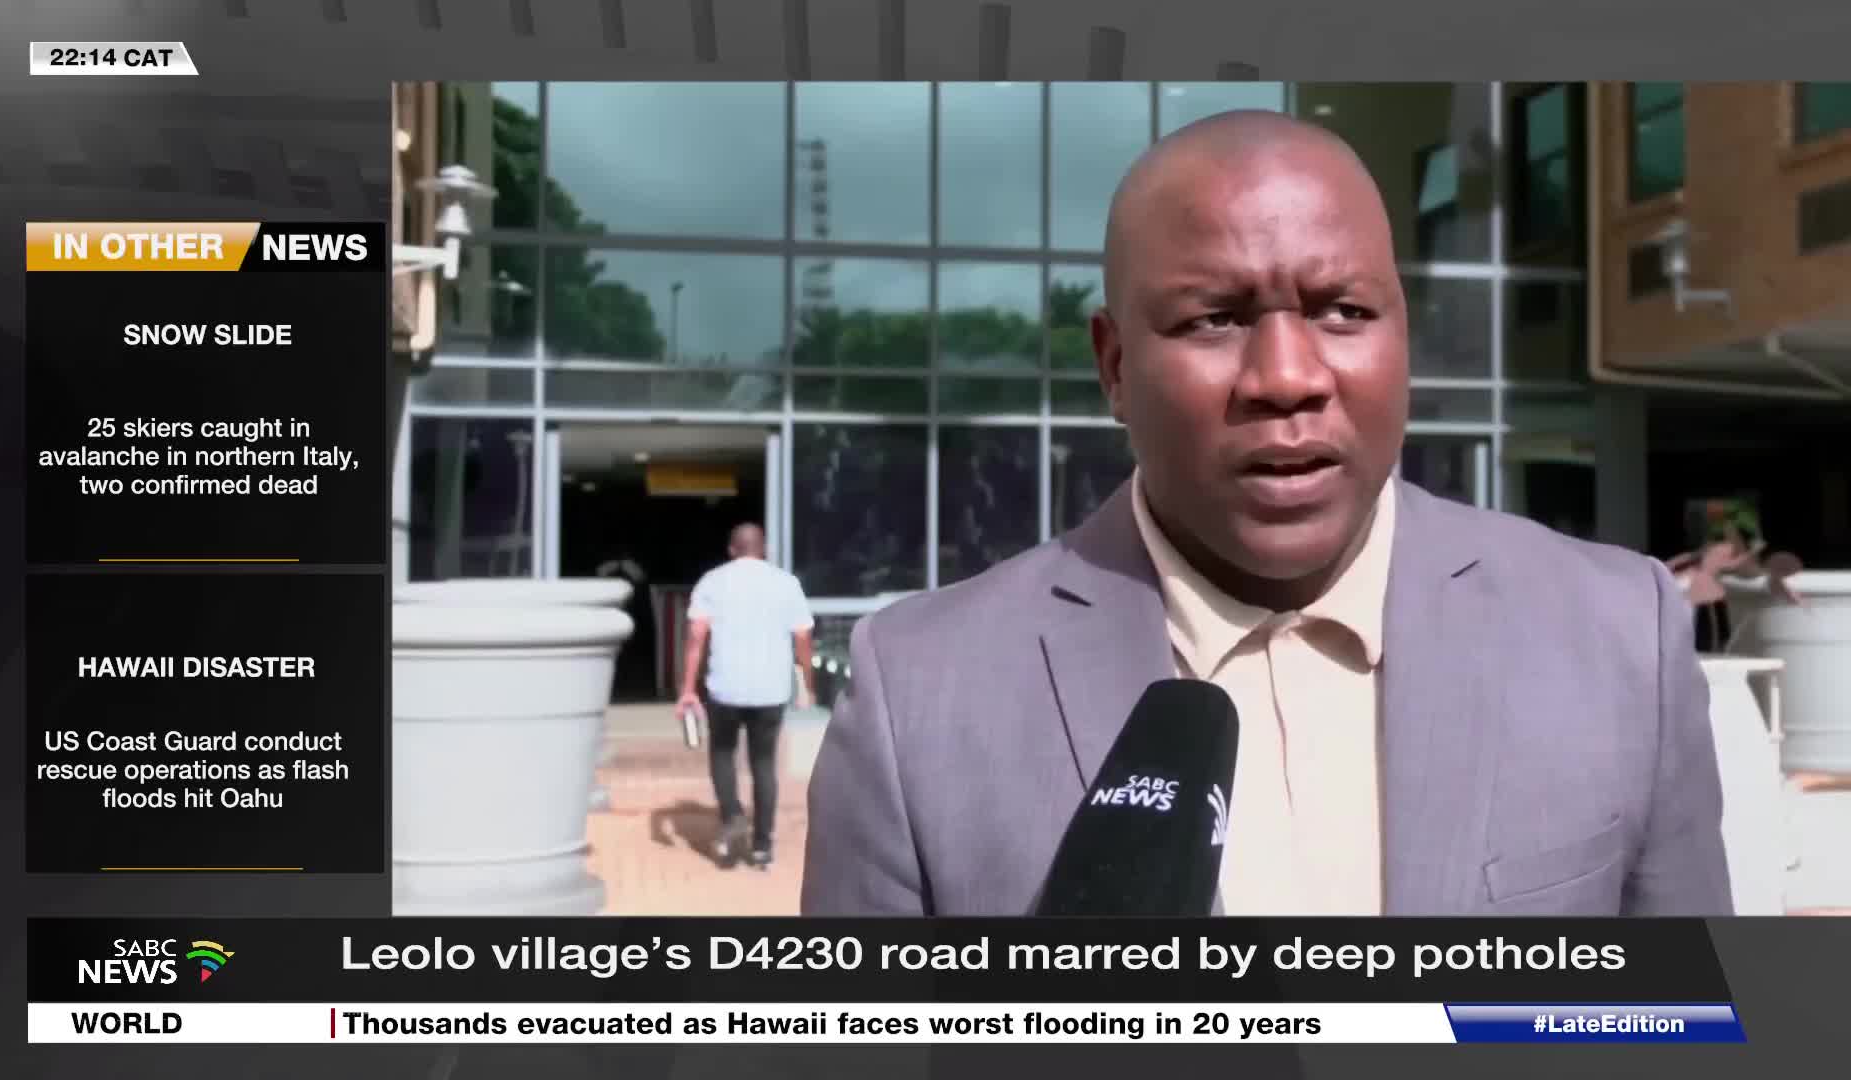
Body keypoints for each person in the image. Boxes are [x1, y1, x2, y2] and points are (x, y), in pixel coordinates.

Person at [801, 111, 1730, 917]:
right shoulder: (918, 699)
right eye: (1214, 319)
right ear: (1115, 366)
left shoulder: (1619, 637)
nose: (1287, 378)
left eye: (1342, 310)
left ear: (1403, 332)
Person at [676, 523, 815, 869]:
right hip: (770, 689)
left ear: (732, 549)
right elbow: (803, 638)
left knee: (722, 754)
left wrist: (687, 689)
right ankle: (762, 847)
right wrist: (807, 683)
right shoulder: (786, 582)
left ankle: (733, 816)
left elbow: (696, 638)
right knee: (764, 763)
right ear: (763, 548)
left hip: (725, 686)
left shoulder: (712, 581)